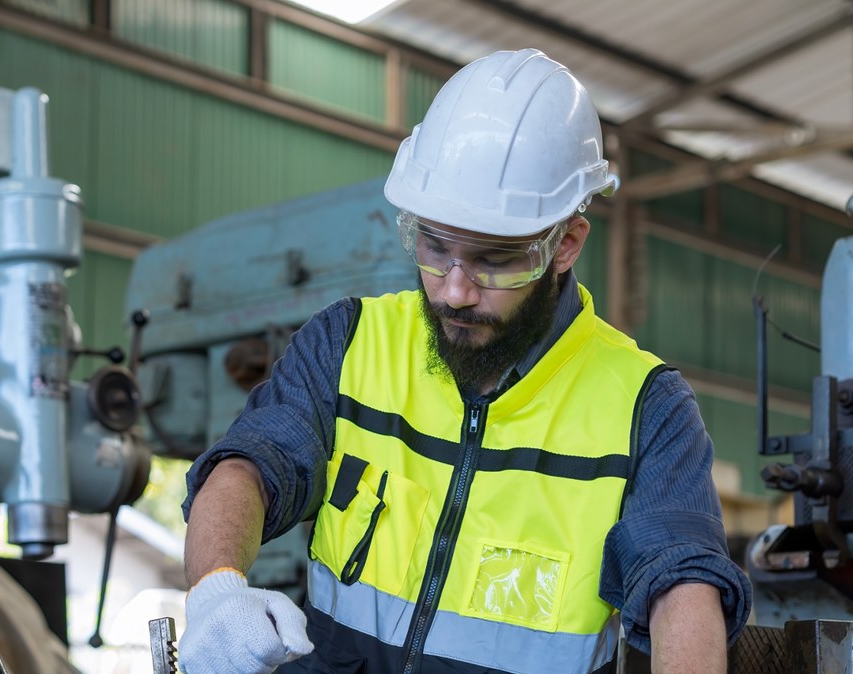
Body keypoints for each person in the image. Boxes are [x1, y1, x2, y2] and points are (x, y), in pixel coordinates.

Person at [177, 48, 750, 674]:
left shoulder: (646, 407)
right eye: (434, 246)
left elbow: (682, 583)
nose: (454, 289)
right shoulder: (349, 343)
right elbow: (250, 464)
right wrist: (216, 589)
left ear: (566, 245)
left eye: (494, 260)